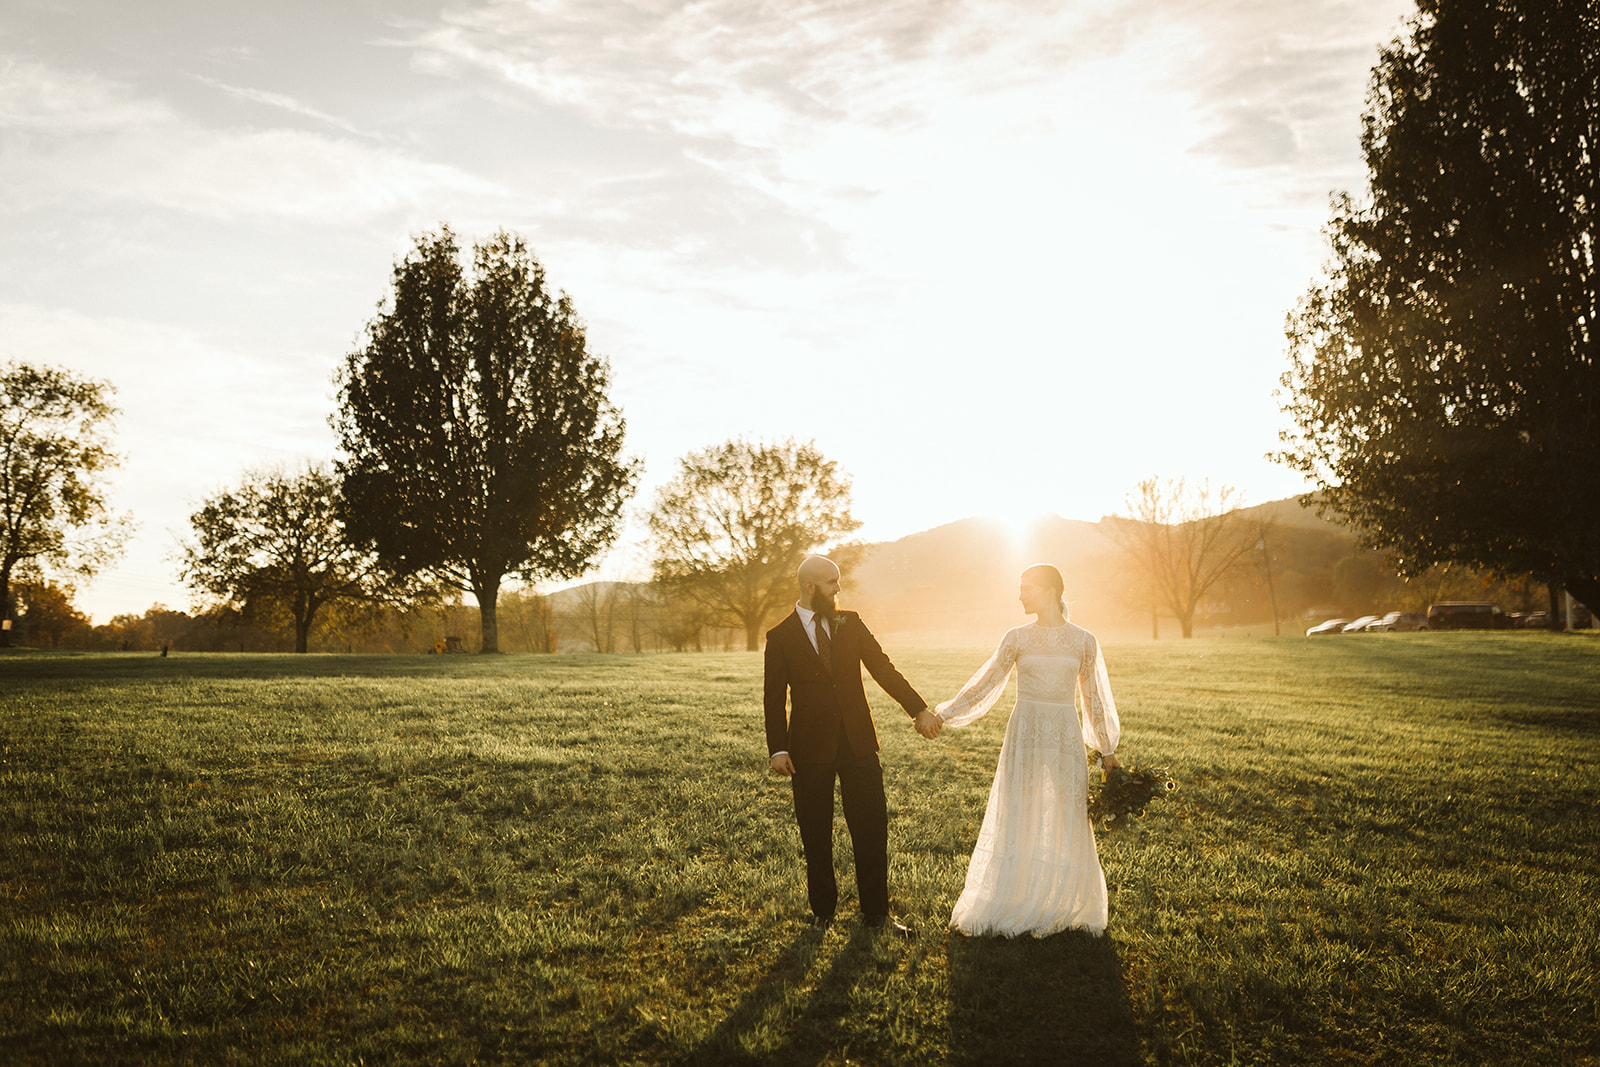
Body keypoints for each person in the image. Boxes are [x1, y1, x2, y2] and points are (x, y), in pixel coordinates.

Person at [932, 564, 1121, 937]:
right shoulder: (1016, 637)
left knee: (1068, 815)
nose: (1019, 595)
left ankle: (1065, 901)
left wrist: (1107, 748)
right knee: (1021, 810)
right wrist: (944, 713)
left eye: (1026, 588)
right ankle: (1015, 896)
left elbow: (1094, 698)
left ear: (1050, 590)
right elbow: (987, 682)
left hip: (1065, 737)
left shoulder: (1084, 641)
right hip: (1026, 734)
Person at [764, 554, 942, 933]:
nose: (839, 588)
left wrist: (919, 709)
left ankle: (877, 914)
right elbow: (773, 697)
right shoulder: (780, 636)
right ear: (810, 586)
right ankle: (823, 914)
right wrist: (778, 748)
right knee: (815, 831)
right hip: (807, 750)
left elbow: (883, 668)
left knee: (872, 828)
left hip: (859, 743)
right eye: (832, 582)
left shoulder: (852, 622)